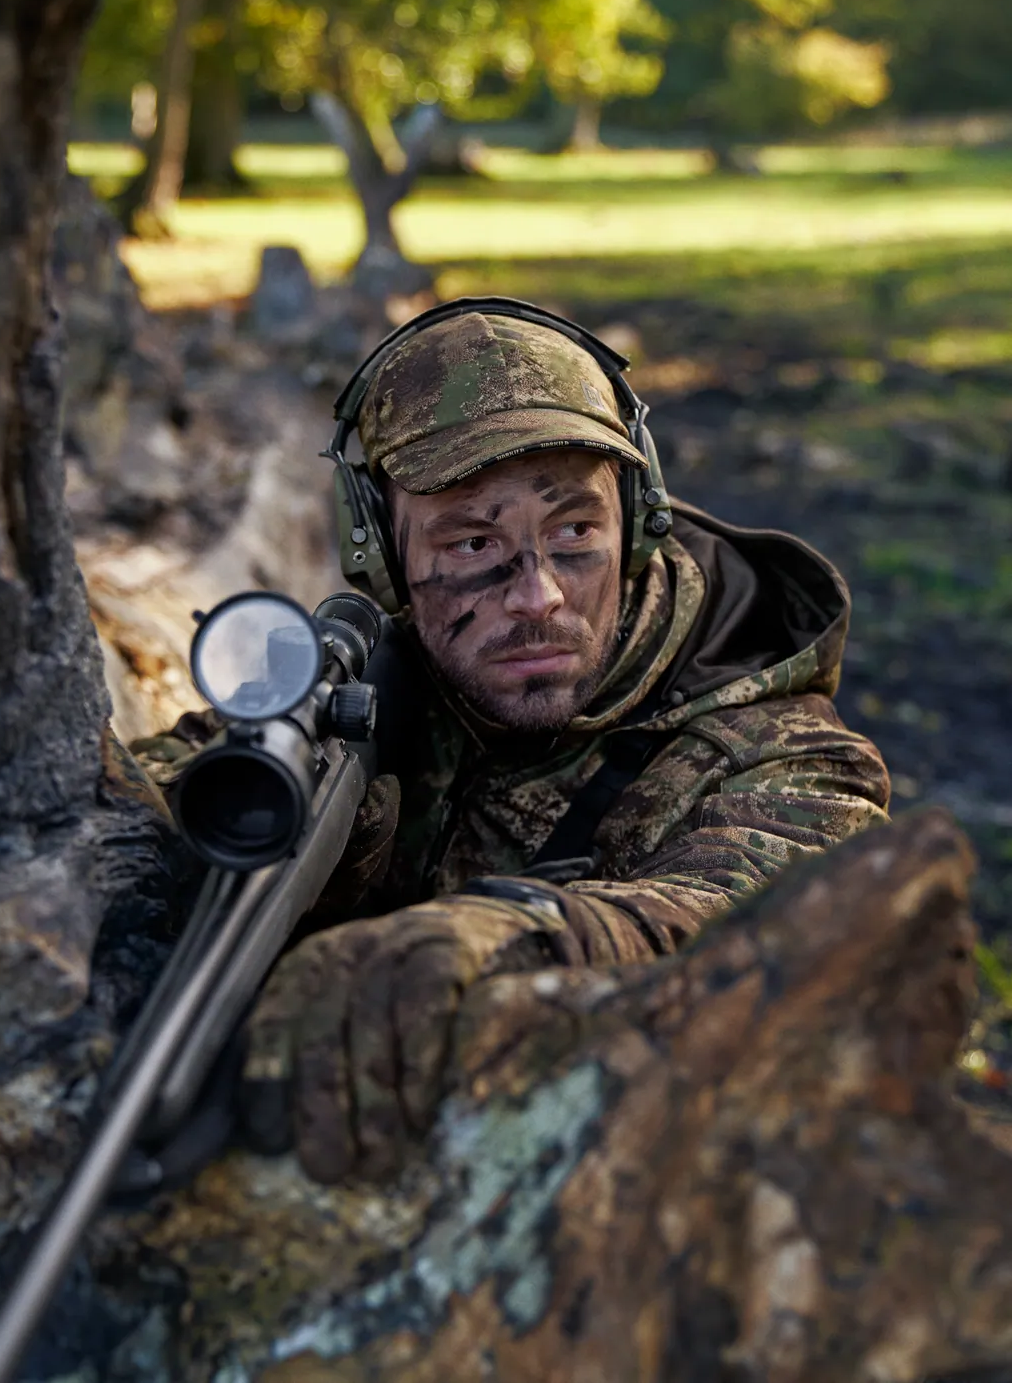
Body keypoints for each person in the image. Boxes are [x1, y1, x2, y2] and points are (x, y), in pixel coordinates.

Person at [135, 299, 889, 1185]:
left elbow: (780, 935)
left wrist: (503, 940)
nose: (536, 598)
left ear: (637, 522)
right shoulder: (368, 689)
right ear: (379, 556)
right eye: (470, 542)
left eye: (574, 533)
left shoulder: (786, 754)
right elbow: (145, 797)